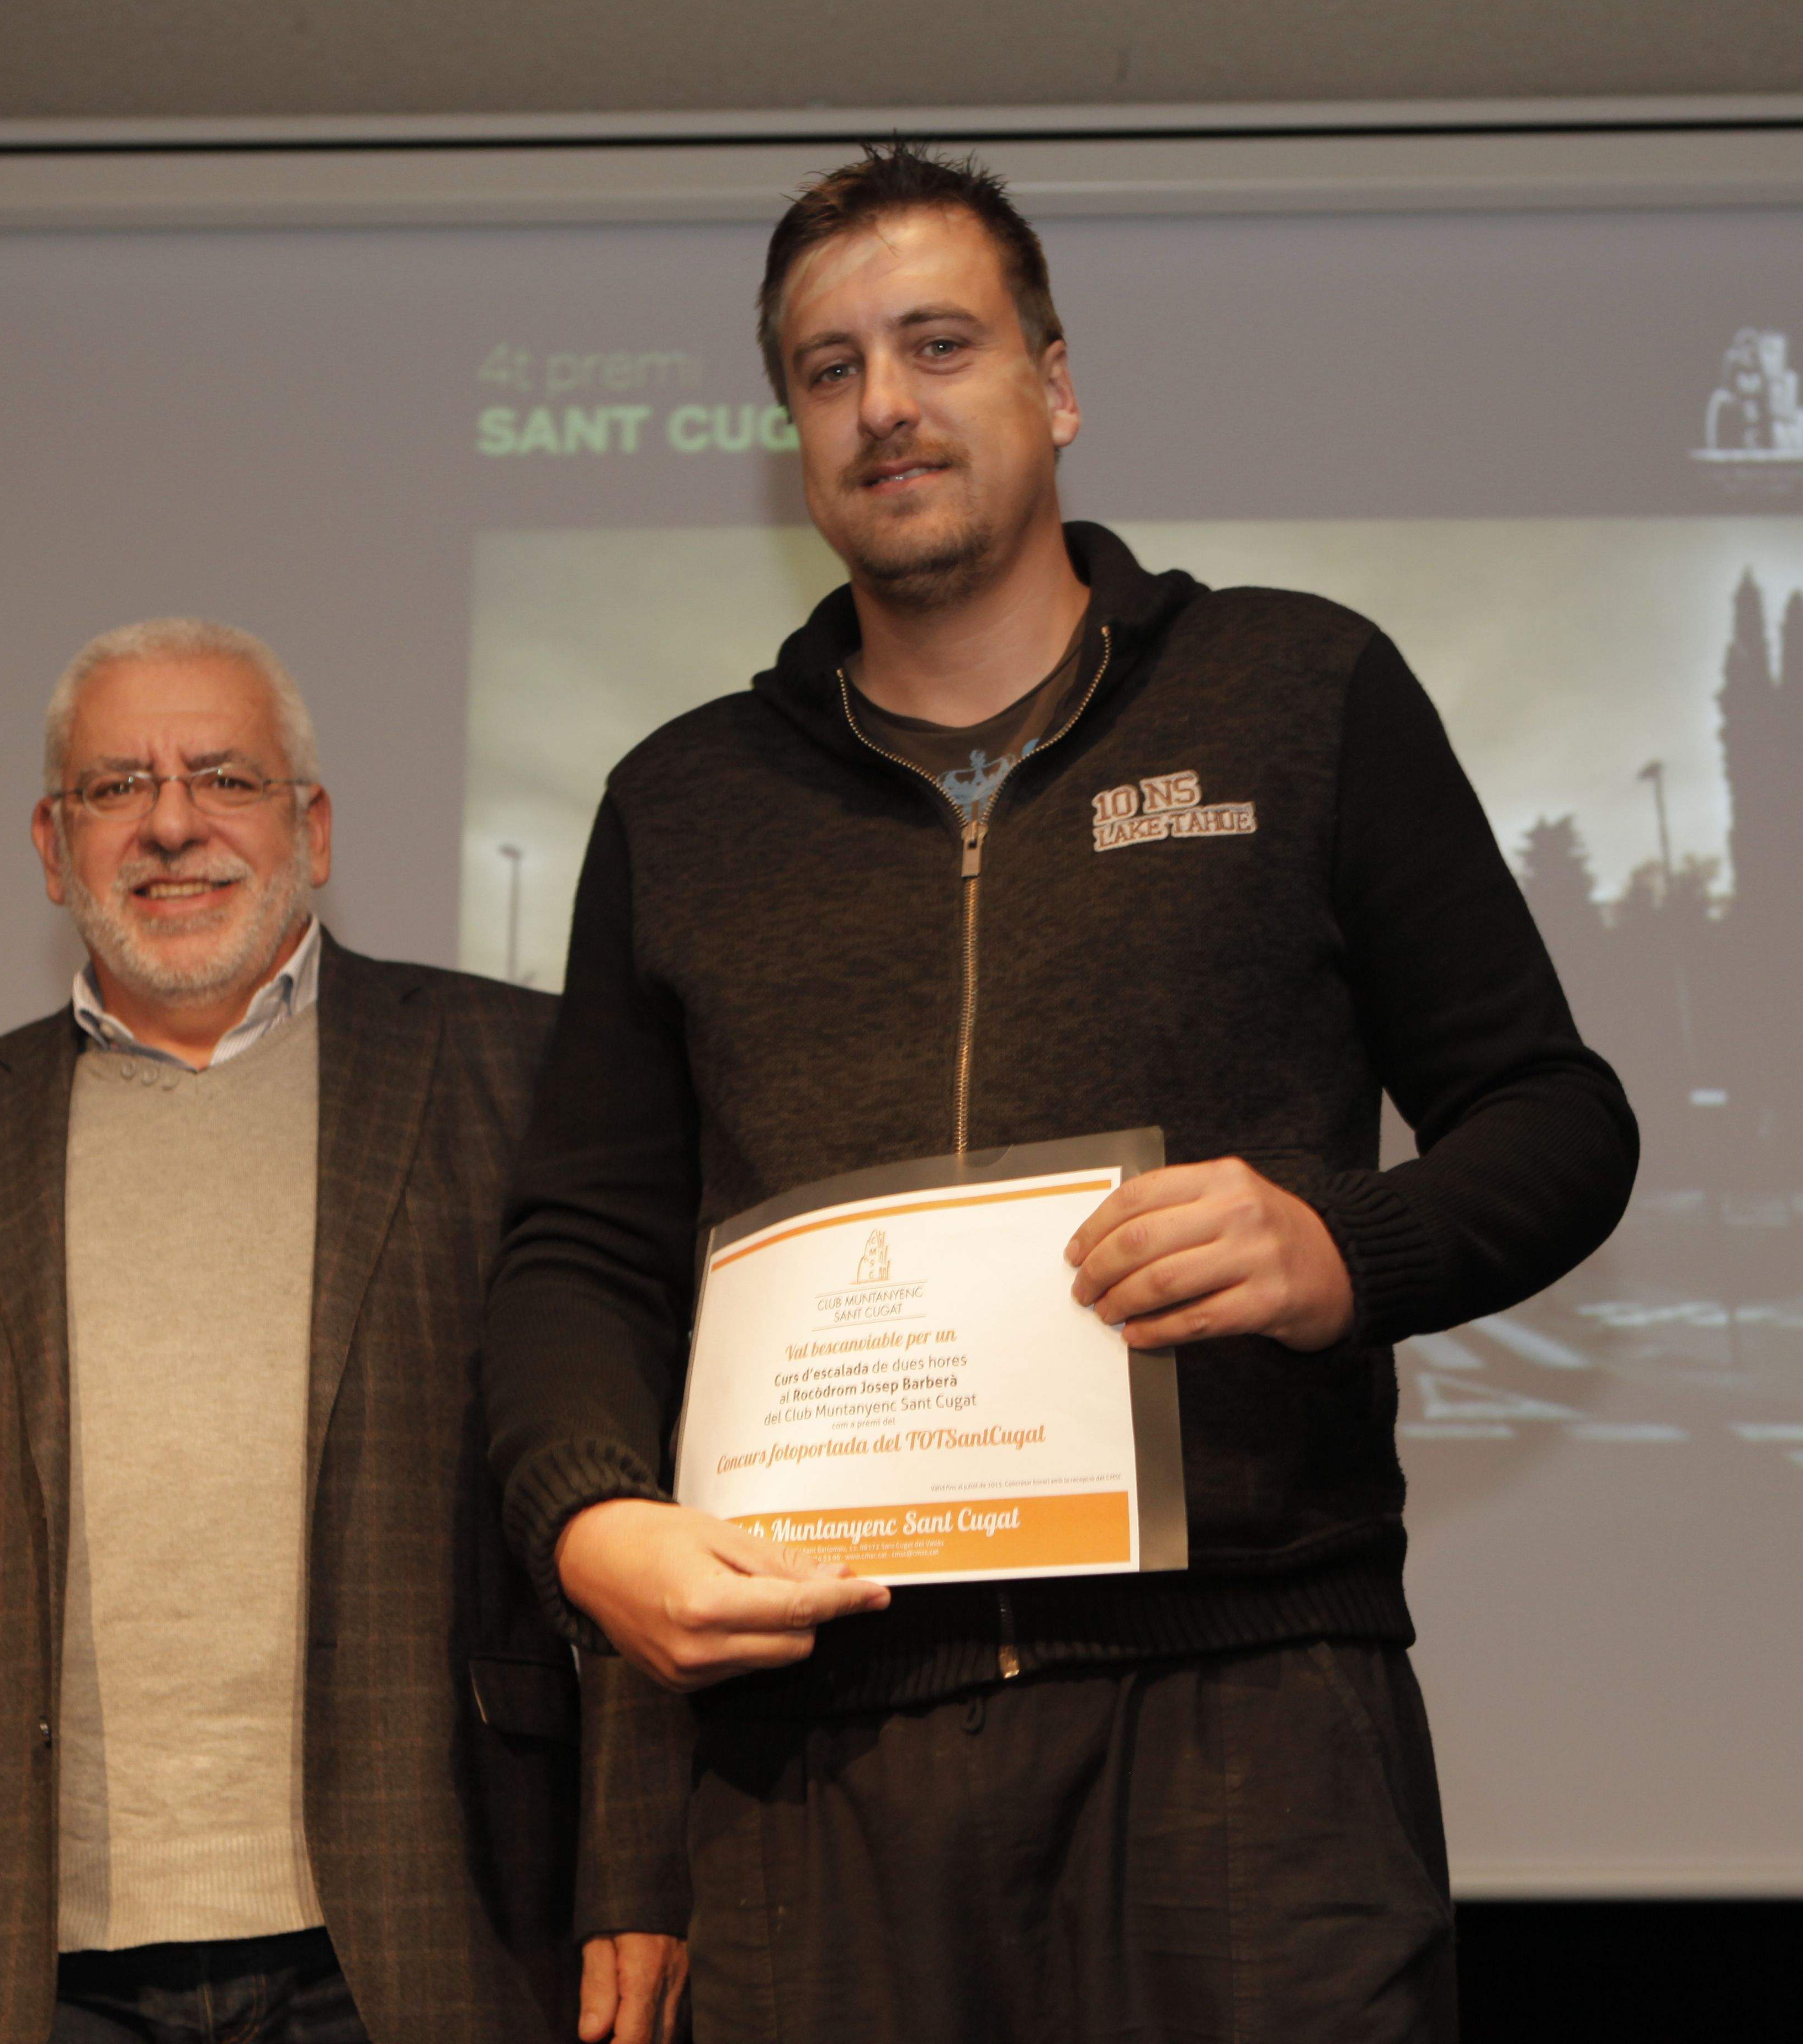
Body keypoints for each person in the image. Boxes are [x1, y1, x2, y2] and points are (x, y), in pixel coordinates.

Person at [482, 145, 1639, 2041]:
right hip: (816, 1765)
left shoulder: (1300, 693)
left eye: (938, 344)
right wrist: (589, 1525)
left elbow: (1557, 1122)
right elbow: (580, 1255)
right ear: (795, 435)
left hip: (1249, 1732)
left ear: (1057, 383)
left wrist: (1334, 1248)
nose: (886, 402)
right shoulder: (681, 805)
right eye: (831, 369)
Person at [0, 619, 688, 2044]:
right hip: (28, 1964)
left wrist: (642, 1868)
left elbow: (631, 1484)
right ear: (52, 846)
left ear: (314, 827)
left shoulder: (518, 1072)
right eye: (116, 786)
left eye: (225, 779)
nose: (172, 824)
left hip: (438, 1926)